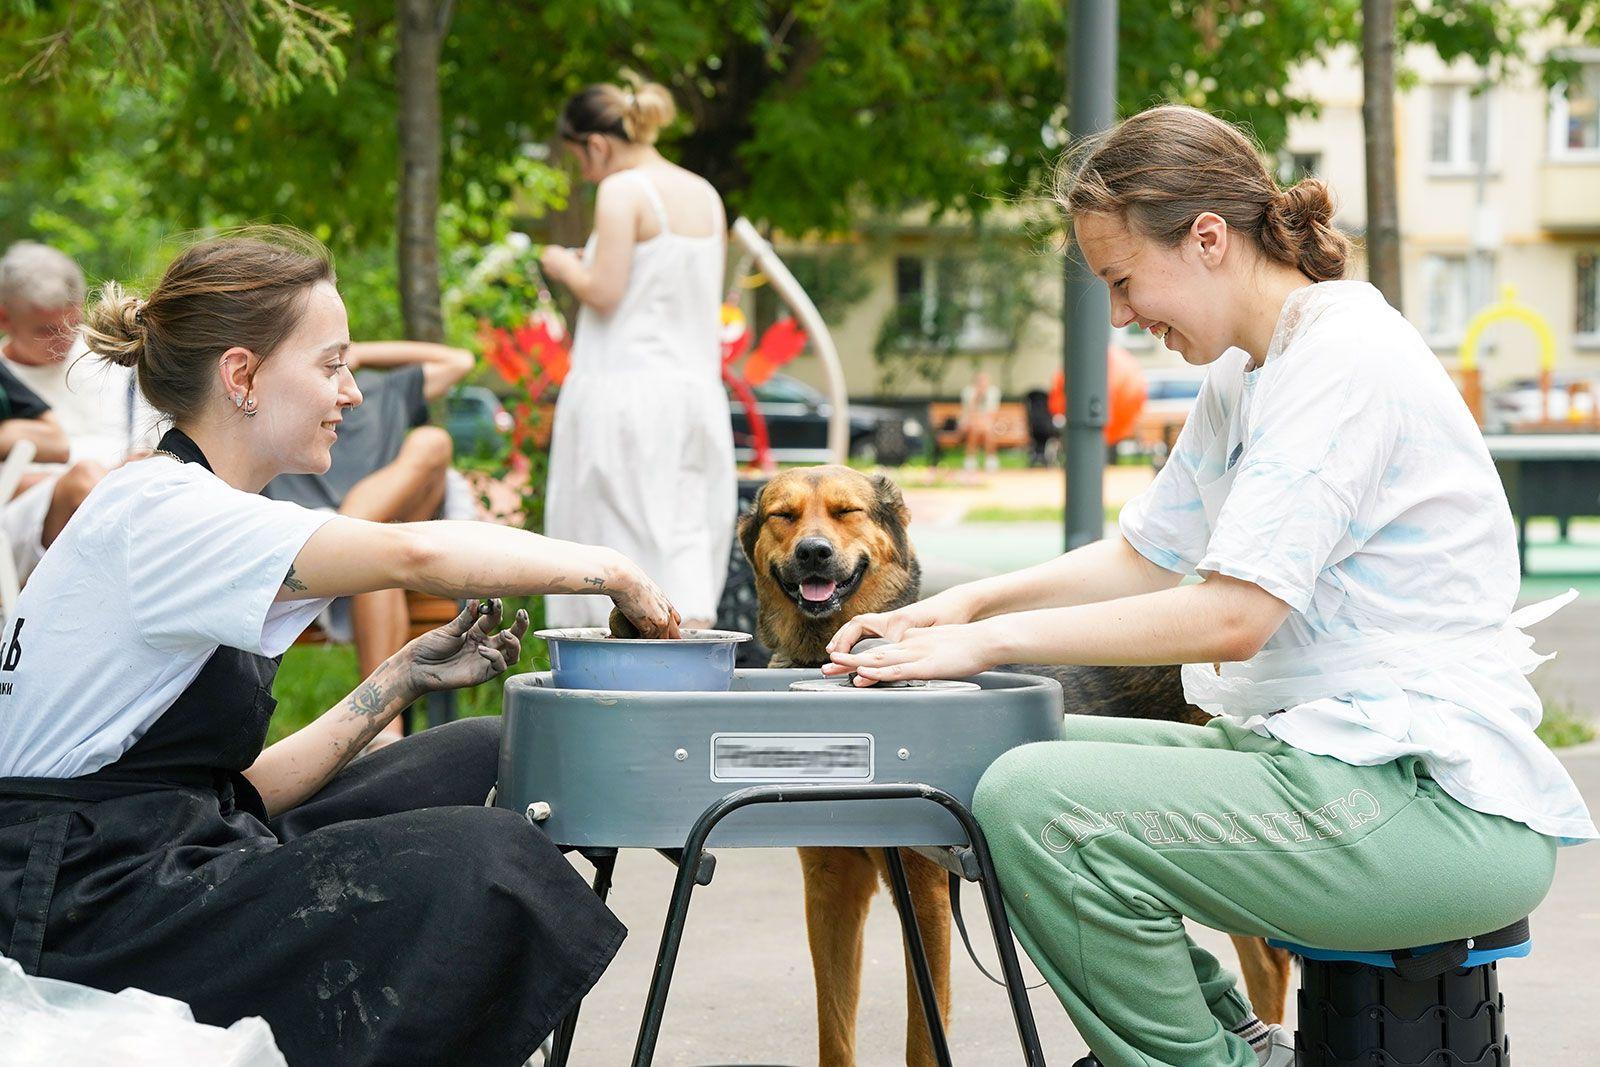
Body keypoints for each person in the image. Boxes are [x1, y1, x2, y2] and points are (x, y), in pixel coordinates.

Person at [824, 105, 1596, 1067]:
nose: (1120, 315)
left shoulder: (1342, 359)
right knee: (989, 752)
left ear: (1207, 239)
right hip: (1337, 765)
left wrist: (983, 645)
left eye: (1121, 279)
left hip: (1433, 804)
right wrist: (969, 604)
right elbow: (1149, 552)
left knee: (1032, 796)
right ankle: (1237, 1038)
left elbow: (1233, 615)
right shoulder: (1250, 370)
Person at [0, 228, 680, 1067]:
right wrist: (610, 569)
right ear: (242, 375)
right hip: (87, 902)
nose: (352, 393)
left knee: (486, 745)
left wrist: (394, 682)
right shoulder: (164, 509)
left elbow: (232, 791)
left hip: (161, 845)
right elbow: (413, 553)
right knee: (484, 859)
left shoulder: (181, 501)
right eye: (331, 365)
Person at [540, 79, 736, 630]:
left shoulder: (623, 190)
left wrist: (561, 263)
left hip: (625, 391)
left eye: (578, 157)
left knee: (617, 537)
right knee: (686, 533)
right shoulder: (704, 193)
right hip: (693, 392)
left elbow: (605, 292)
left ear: (595, 145)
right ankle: (688, 671)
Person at [264, 339, 475, 743]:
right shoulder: (296, 397)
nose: (348, 395)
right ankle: (384, 730)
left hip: (381, 523)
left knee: (432, 441)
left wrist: (364, 352)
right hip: (319, 539)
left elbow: (460, 358)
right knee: (379, 560)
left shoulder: (387, 388)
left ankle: (355, 532)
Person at [0, 241, 127, 585]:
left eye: (72, 325)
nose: (63, 341)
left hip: (126, 497)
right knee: (84, 480)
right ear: (4, 318)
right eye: (45, 330)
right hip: (24, 528)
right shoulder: (5, 381)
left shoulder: (110, 358)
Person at [959, 368, 1001, 472]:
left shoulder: (993, 392)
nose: (982, 383)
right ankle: (976, 459)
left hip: (987, 423)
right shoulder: (968, 392)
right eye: (980, 380)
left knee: (986, 429)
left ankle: (979, 459)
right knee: (975, 427)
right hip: (971, 422)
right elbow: (969, 411)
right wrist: (976, 397)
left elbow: (992, 413)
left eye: (984, 380)